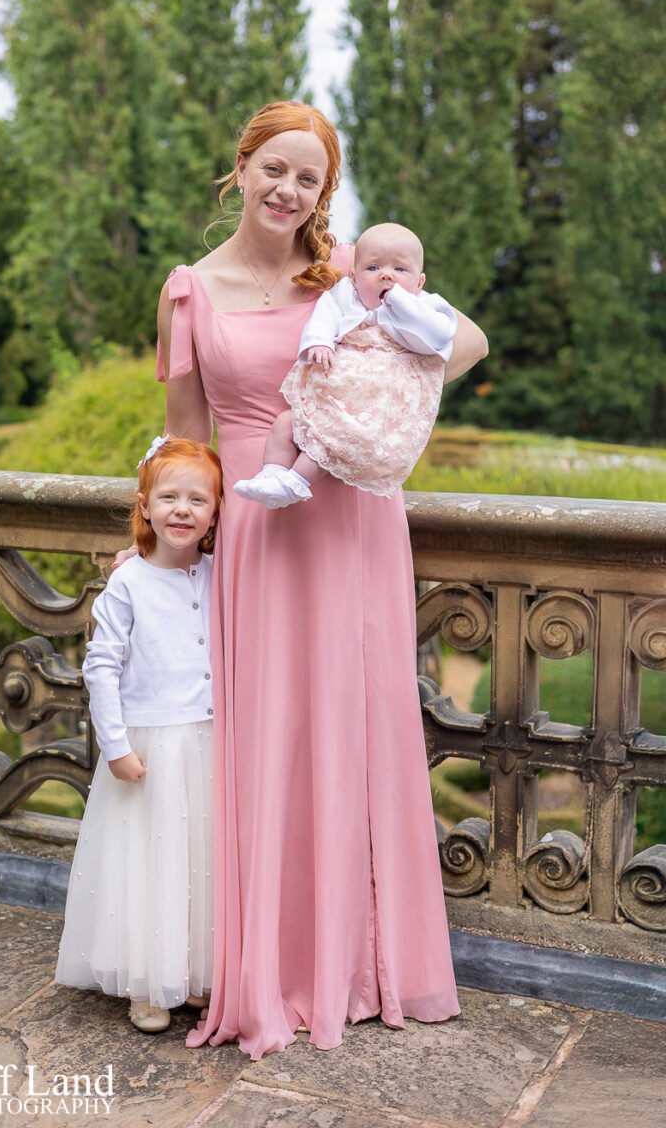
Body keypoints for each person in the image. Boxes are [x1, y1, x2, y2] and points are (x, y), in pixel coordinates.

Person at [141, 100, 487, 1059]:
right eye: (276, 170)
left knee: (355, 727)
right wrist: (161, 554)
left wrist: (383, 385)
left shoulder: (350, 278)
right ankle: (273, 964)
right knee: (270, 736)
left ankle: (363, 965)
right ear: (242, 169)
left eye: (311, 179)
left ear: (324, 194)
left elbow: (467, 345)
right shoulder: (189, 292)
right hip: (255, 524)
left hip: (355, 516)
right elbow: (186, 441)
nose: (290, 190)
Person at [56, 437, 223, 1034]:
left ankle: (198, 973)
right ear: (144, 506)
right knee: (150, 860)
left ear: (214, 511)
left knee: (201, 861)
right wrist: (117, 745)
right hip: (151, 744)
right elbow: (101, 666)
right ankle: (149, 983)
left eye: (198, 499)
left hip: (206, 742)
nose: (182, 509)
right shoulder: (128, 584)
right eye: (169, 496)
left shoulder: (218, 573)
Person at [233, 221, 457, 507]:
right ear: (353, 276)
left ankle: (295, 483)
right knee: (285, 422)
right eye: (373, 268)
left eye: (400, 270)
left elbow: (438, 336)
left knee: (329, 443)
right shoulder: (345, 295)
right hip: (332, 395)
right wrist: (320, 341)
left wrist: (400, 300)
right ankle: (271, 473)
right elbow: (324, 315)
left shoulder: (428, 306)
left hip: (370, 412)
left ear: (420, 282)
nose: (386, 275)